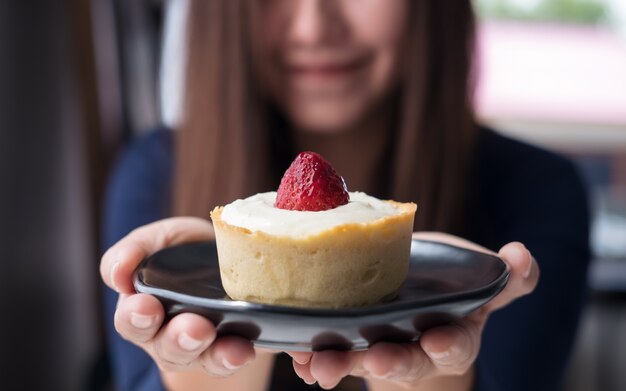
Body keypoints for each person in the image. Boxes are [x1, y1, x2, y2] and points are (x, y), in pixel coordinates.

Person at [99, 1, 590, 390]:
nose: (313, 27)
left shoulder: (540, 189)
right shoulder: (155, 172)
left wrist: (427, 360)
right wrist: (205, 355)